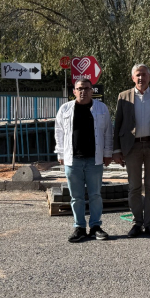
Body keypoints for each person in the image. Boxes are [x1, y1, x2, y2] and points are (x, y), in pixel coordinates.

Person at [112, 64, 150, 238]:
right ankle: (137, 223)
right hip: (132, 147)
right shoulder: (123, 97)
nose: (141, 78)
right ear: (132, 78)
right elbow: (118, 124)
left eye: (144, 74)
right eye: (138, 75)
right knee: (134, 187)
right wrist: (116, 149)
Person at [55, 79, 113, 242]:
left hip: (94, 160)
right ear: (74, 91)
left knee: (95, 195)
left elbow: (108, 132)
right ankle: (79, 227)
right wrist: (60, 154)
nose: (83, 92)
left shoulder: (101, 108)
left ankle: (95, 226)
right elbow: (59, 132)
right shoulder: (65, 109)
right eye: (80, 89)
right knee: (76, 197)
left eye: (87, 88)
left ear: (92, 91)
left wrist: (108, 153)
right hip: (73, 160)